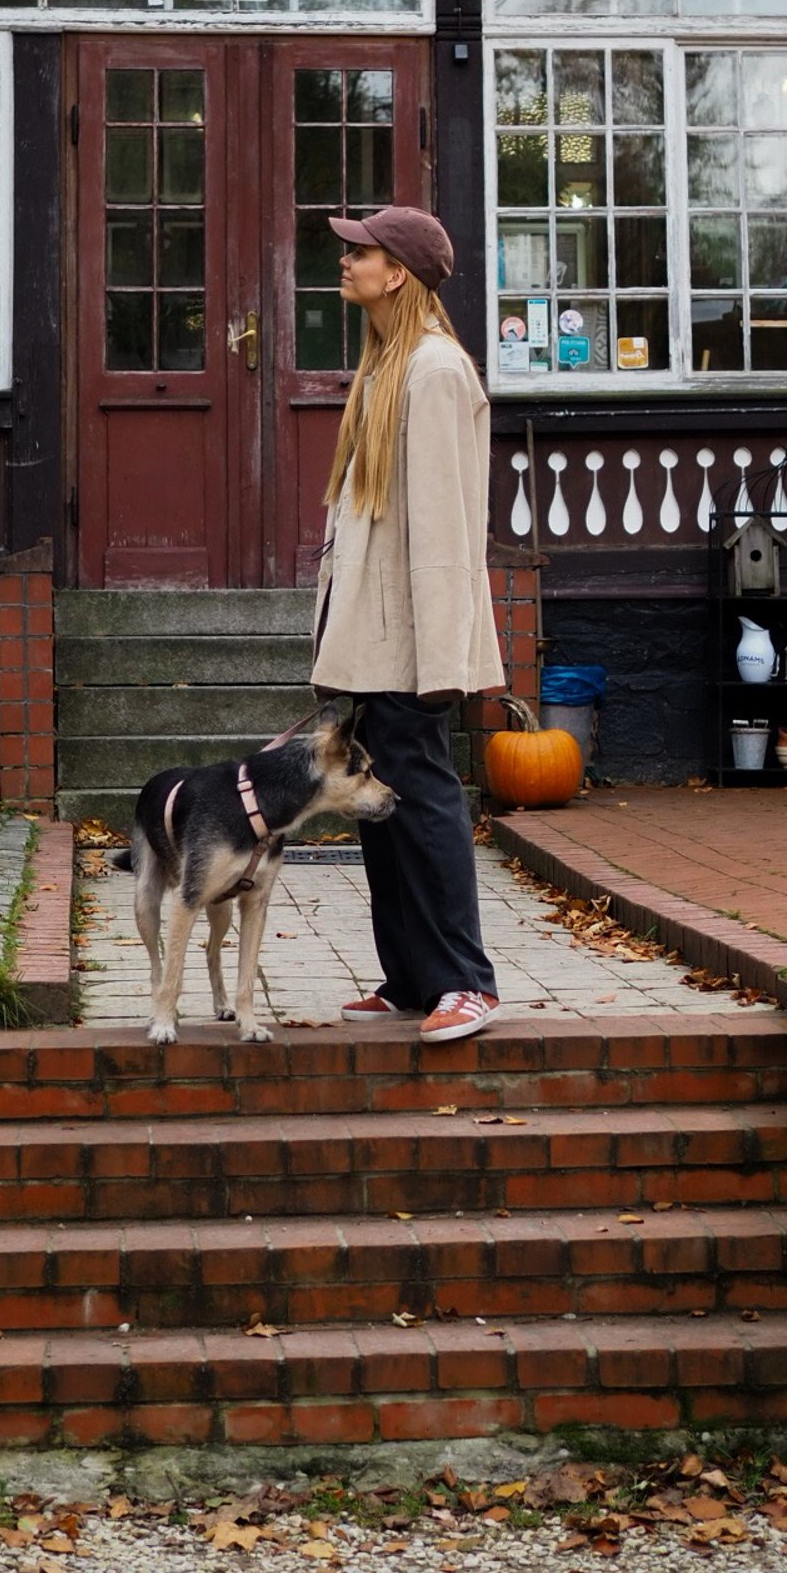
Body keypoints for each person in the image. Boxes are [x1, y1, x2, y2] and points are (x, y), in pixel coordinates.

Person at [311, 205, 504, 1044]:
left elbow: (442, 527)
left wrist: (441, 657)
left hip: (410, 644)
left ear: (399, 273)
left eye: (361, 252)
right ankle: (410, 978)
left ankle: (466, 981)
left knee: (423, 797)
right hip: (370, 639)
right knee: (380, 804)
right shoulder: (388, 366)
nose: (346, 261)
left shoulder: (433, 371)